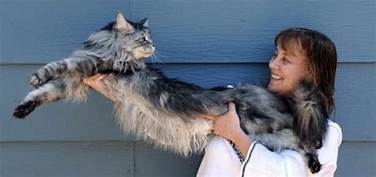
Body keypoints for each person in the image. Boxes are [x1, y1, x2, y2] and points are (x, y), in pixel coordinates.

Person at [83, 27, 342, 177]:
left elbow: (285, 174)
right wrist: (114, 91)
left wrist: (235, 134)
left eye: (285, 60)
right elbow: (174, 123)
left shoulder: (327, 134)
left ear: (311, 73)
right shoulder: (236, 104)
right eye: (275, 55)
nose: (273, 64)